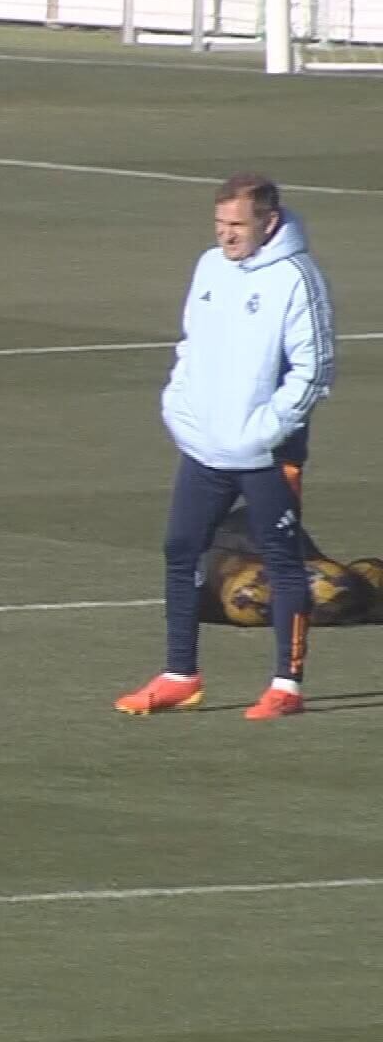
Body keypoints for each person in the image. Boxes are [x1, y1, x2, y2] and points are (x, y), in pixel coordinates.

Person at [117, 172, 334, 720]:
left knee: (283, 563)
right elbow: (191, 345)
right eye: (220, 224)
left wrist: (266, 429)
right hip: (204, 448)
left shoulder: (295, 277)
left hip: (267, 454)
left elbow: (314, 370)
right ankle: (179, 675)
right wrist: (180, 409)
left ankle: (286, 686)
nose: (227, 236)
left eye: (237, 225)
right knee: (180, 549)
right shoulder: (210, 267)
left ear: (269, 221)